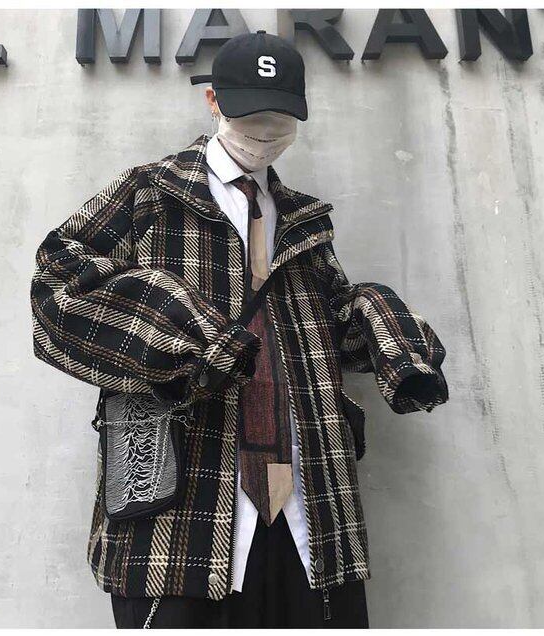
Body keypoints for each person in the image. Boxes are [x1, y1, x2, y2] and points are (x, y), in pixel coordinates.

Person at [30, 30, 448, 629]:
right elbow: (57, 283)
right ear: (213, 102)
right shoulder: (151, 193)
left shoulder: (304, 220)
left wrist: (395, 340)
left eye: (281, 119)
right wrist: (185, 335)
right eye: (251, 116)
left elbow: (334, 324)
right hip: (182, 504)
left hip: (310, 498)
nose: (265, 132)